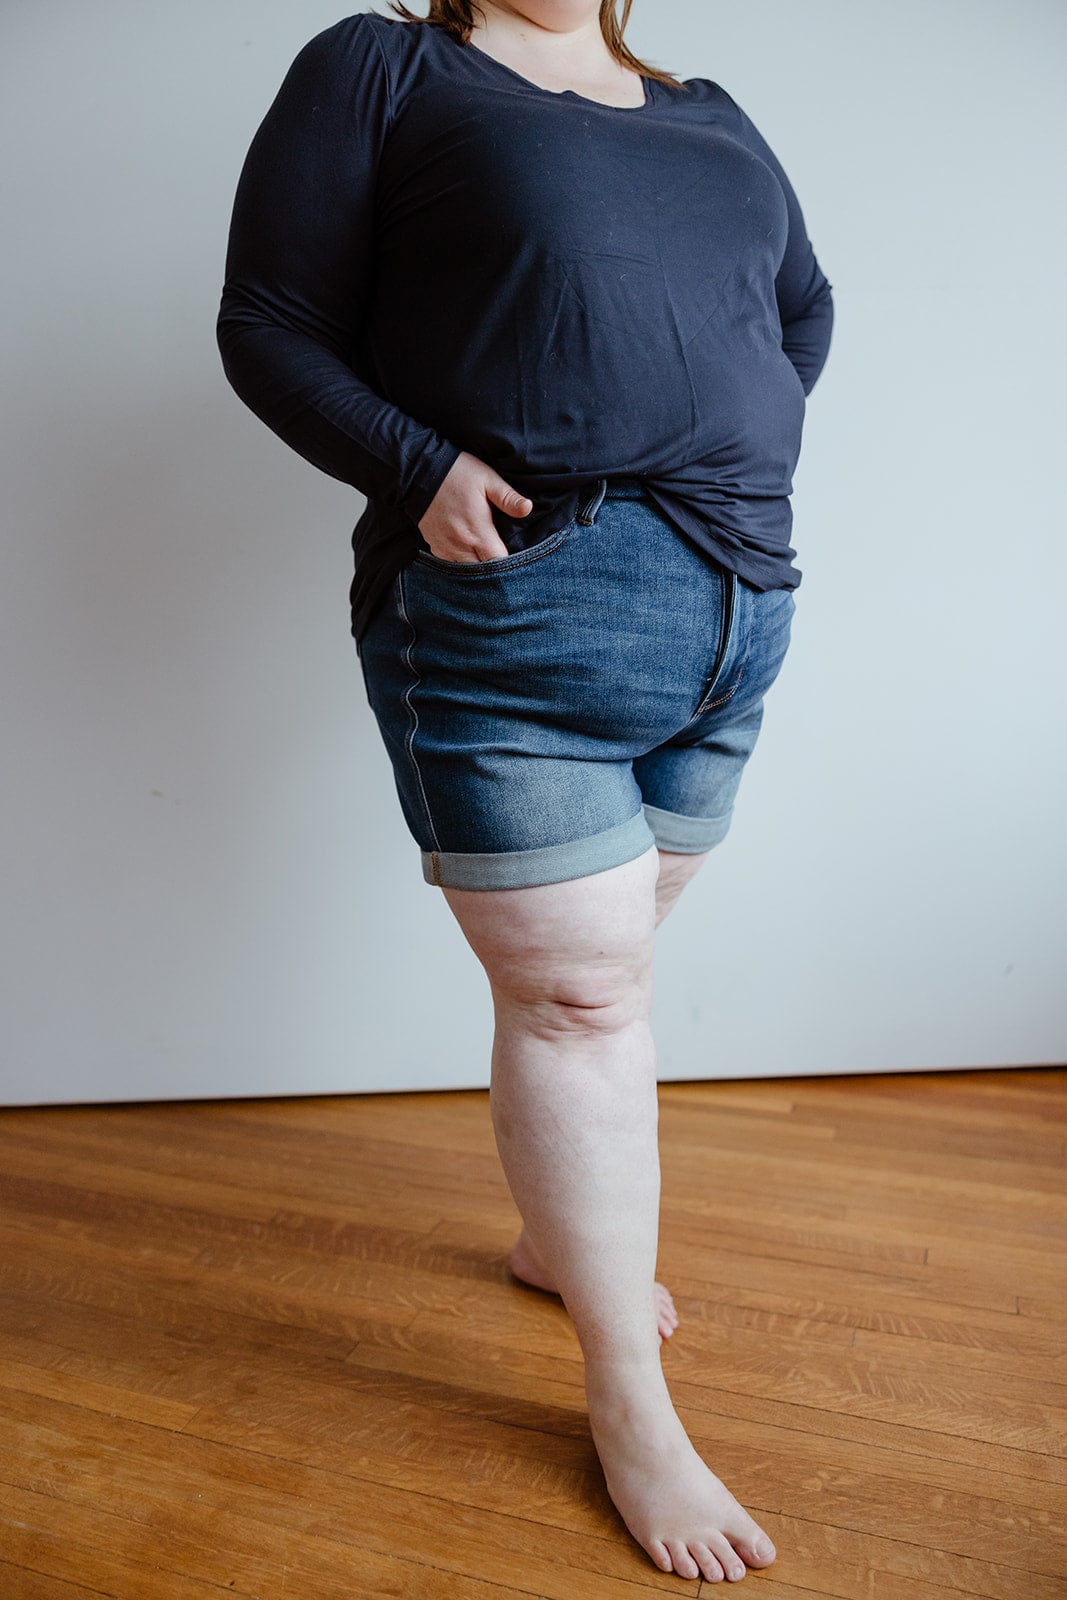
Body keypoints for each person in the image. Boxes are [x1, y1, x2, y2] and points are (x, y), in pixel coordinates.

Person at [216, 0, 833, 1583]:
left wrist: (736, 443)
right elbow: (269, 320)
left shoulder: (705, 104)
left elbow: (800, 313)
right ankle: (633, 1407)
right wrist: (416, 466)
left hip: (735, 604)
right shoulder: (385, 67)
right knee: (578, 999)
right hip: (522, 605)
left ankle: (560, 1241)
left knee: (604, 970)